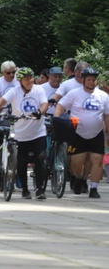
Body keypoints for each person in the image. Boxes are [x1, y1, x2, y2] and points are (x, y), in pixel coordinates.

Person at [0, 67, 49, 199]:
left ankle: (40, 189)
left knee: (40, 159)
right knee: (21, 162)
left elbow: (45, 104)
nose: (29, 81)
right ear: (20, 81)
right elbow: (1, 101)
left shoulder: (39, 89)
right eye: (26, 79)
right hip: (20, 133)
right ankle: (25, 189)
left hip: (38, 132)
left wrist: (40, 112)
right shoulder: (14, 91)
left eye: (31, 78)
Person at [54, 66, 109, 198]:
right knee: (76, 162)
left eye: (94, 80)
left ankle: (94, 188)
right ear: (83, 80)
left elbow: (107, 115)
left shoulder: (103, 96)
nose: (91, 82)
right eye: (89, 79)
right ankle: (78, 179)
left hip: (97, 134)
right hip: (77, 133)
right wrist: (56, 119)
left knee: (97, 160)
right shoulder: (74, 93)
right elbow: (60, 106)